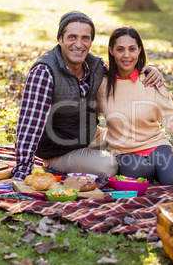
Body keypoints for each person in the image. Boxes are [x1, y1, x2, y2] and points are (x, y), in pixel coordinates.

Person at [10, 11, 164, 181]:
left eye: (85, 38)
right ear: (60, 39)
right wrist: (22, 171)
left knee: (129, 141)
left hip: (89, 136)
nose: (79, 44)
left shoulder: (96, 66)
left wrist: (147, 71)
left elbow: (123, 78)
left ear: (91, 41)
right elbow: (29, 124)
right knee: (108, 165)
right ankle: (55, 164)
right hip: (59, 149)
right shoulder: (44, 72)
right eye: (72, 37)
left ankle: (156, 165)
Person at [96, 26, 173, 185]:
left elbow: (172, 121)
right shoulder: (102, 85)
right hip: (123, 151)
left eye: (132, 49)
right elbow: (89, 117)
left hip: (155, 144)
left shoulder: (152, 80)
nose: (126, 55)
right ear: (111, 51)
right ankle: (157, 171)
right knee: (140, 171)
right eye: (120, 49)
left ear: (140, 50)